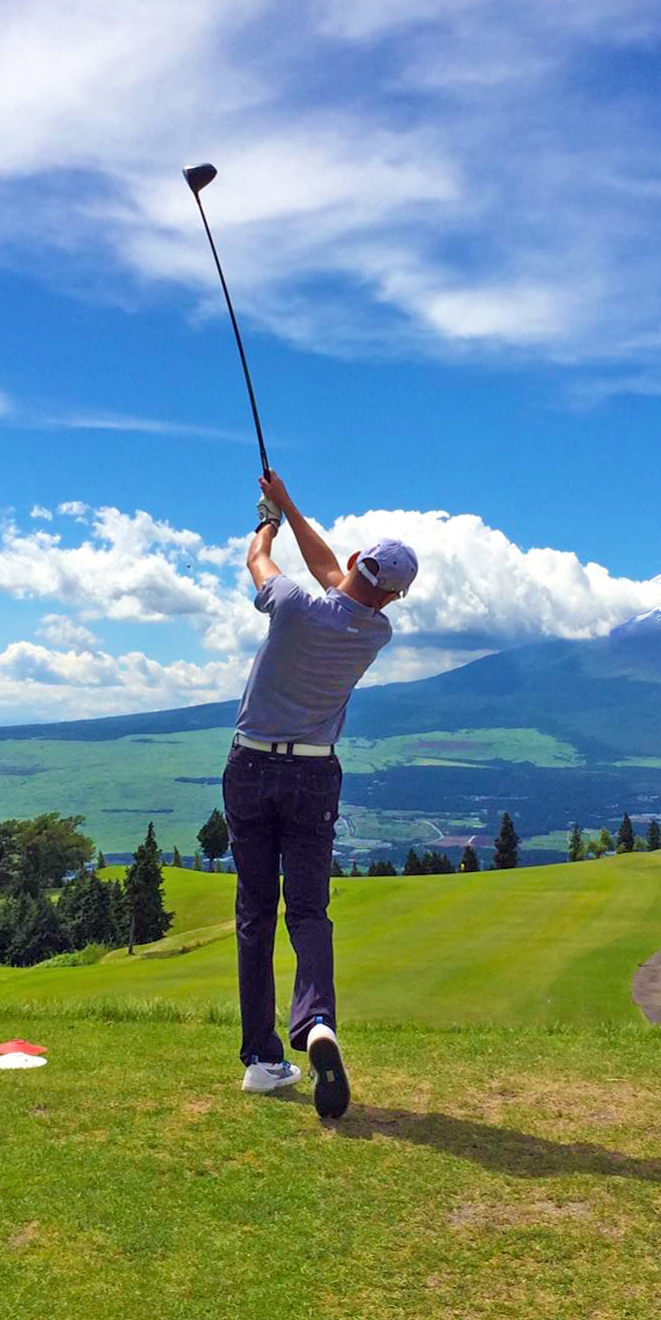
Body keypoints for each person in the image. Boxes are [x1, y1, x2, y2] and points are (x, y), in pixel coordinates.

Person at [225, 469, 416, 1120]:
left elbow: (260, 559)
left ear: (360, 561)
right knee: (307, 912)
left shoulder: (292, 605)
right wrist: (289, 503)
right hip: (314, 774)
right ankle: (318, 1024)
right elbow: (333, 572)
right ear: (392, 597)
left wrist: (267, 517)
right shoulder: (373, 633)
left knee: (255, 913)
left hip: (250, 766)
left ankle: (263, 1061)